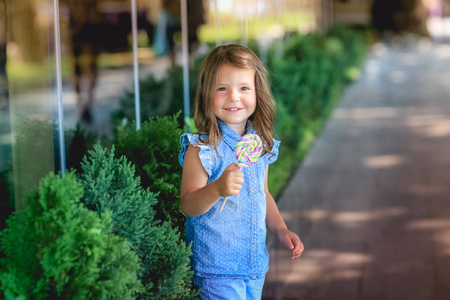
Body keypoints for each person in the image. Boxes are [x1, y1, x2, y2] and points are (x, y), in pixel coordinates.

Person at [179, 44, 304, 299]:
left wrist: (281, 230)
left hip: (254, 264)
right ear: (206, 94)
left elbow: (263, 194)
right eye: (222, 88)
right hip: (217, 269)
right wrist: (217, 188)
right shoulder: (203, 148)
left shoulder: (258, 145)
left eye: (244, 88)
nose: (234, 97)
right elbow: (188, 204)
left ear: (258, 93)